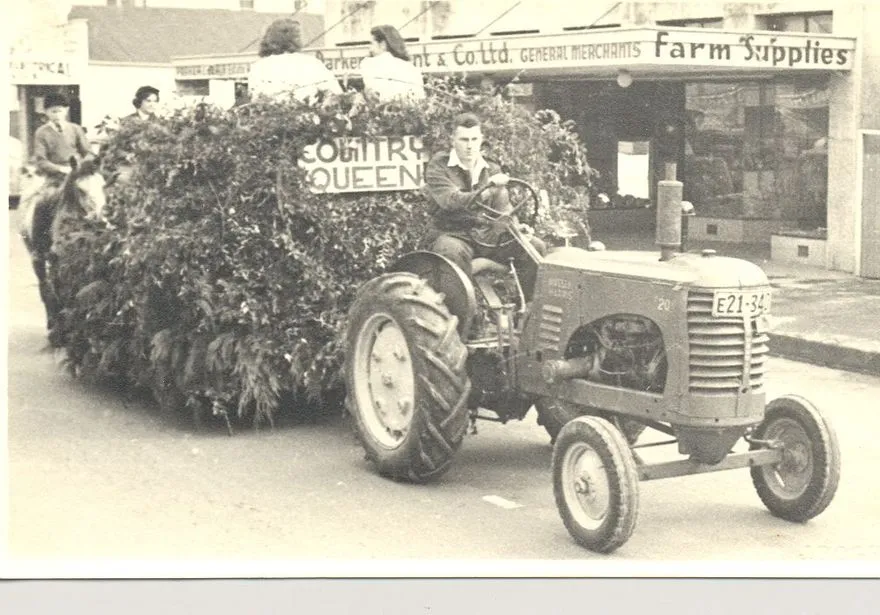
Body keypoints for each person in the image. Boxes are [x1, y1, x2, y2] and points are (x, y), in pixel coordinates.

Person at [423, 112, 546, 291]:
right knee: (450, 251)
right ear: (453, 140)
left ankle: (525, 307)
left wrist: (517, 228)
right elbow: (450, 201)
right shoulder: (439, 166)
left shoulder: (492, 168)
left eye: (474, 139)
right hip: (452, 233)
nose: (470, 146)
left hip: (486, 236)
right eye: (464, 139)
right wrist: (486, 190)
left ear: (481, 140)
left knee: (534, 246)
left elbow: (503, 209)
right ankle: (467, 314)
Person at [248, 18, 342, 103]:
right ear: (296, 39)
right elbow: (335, 94)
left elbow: (255, 100)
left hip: (269, 118)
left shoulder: (258, 67)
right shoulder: (312, 64)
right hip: (306, 117)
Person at [32, 92, 92, 183]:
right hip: (55, 178)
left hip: (78, 175)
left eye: (60, 111)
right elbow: (41, 161)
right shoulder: (41, 132)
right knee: (48, 195)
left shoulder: (75, 129)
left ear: (66, 110)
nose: (57, 115)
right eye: (53, 112)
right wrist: (61, 169)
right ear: (46, 112)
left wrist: (81, 166)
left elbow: (88, 153)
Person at [359, 25, 425, 102]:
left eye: (371, 43)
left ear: (383, 44)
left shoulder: (369, 64)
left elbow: (374, 96)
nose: (370, 48)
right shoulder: (412, 68)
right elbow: (420, 98)